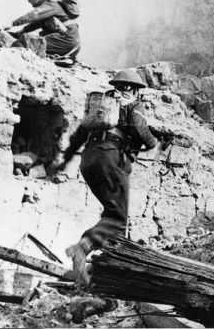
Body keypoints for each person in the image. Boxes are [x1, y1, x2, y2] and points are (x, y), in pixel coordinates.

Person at [51, 69, 158, 285]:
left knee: (111, 214)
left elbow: (78, 136)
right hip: (111, 157)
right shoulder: (132, 104)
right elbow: (139, 126)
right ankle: (84, 246)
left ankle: (107, 266)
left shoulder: (100, 107)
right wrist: (153, 143)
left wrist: (63, 162)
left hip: (89, 159)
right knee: (117, 219)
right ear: (134, 89)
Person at [11, 0, 81, 58]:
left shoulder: (50, 5)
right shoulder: (49, 7)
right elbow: (35, 24)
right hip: (69, 42)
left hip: (65, 40)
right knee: (27, 41)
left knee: (23, 43)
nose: (28, 0)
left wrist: (13, 24)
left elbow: (33, 15)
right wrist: (20, 32)